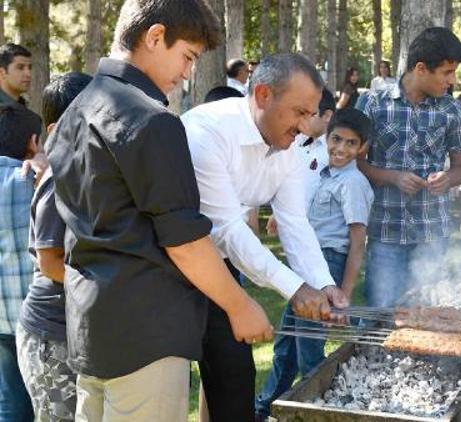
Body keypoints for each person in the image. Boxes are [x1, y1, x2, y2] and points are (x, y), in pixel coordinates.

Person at [45, 1, 273, 420]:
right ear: (154, 37)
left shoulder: (75, 110)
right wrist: (240, 306)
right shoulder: (152, 120)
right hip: (145, 337)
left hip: (89, 328)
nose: (187, 72)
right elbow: (184, 239)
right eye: (187, 56)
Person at [181, 53, 349, 421]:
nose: (306, 127)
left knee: (234, 375)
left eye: (311, 114)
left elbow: (293, 222)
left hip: (220, 265)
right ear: (261, 95)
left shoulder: (289, 145)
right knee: (174, 382)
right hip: (171, 266)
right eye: (299, 113)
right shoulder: (206, 132)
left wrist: (322, 284)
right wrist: (294, 289)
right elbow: (226, 229)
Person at [255, 108, 374, 420]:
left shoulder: (354, 184)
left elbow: (357, 242)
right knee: (286, 345)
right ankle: (266, 407)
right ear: (327, 137)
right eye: (336, 139)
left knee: (309, 351)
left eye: (351, 143)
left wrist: (344, 292)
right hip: (304, 267)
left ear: (362, 148)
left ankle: (325, 411)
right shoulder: (318, 167)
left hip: (329, 269)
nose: (341, 149)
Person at [356, 27, 461, 307]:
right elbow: (353, 162)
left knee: (426, 318)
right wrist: (391, 177)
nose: (452, 80)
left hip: (433, 233)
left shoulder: (452, 110)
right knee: (380, 316)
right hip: (385, 232)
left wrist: (447, 178)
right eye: (447, 72)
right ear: (421, 68)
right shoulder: (372, 103)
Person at [15, 72, 91, 422]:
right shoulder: (58, 175)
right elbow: (49, 261)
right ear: (56, 126)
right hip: (51, 336)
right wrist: (99, 289)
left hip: (74, 329)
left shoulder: (83, 168)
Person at [0, 106, 41, 422]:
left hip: (1, 319)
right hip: (37, 314)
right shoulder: (33, 179)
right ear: (33, 141)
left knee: (11, 404)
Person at [265, 87, 337, 237]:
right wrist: (279, 214)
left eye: (310, 115)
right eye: (300, 114)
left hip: (324, 236)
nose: (302, 122)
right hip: (297, 230)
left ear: (327, 116)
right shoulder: (299, 143)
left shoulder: (335, 153)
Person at [0, 43, 32, 109]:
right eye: (20, 67)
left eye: (29, 68)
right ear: (2, 72)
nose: (28, 74)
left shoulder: (30, 116)